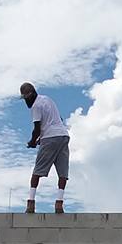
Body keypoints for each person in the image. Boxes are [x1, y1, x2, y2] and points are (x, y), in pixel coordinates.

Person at [19, 82, 70, 214]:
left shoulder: (35, 106)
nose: (26, 102)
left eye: (25, 98)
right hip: (63, 136)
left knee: (37, 171)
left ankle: (31, 203)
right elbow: (57, 119)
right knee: (63, 172)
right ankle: (59, 204)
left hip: (50, 138)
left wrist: (32, 141)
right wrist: (42, 138)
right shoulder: (47, 99)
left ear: (30, 95)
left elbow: (37, 128)